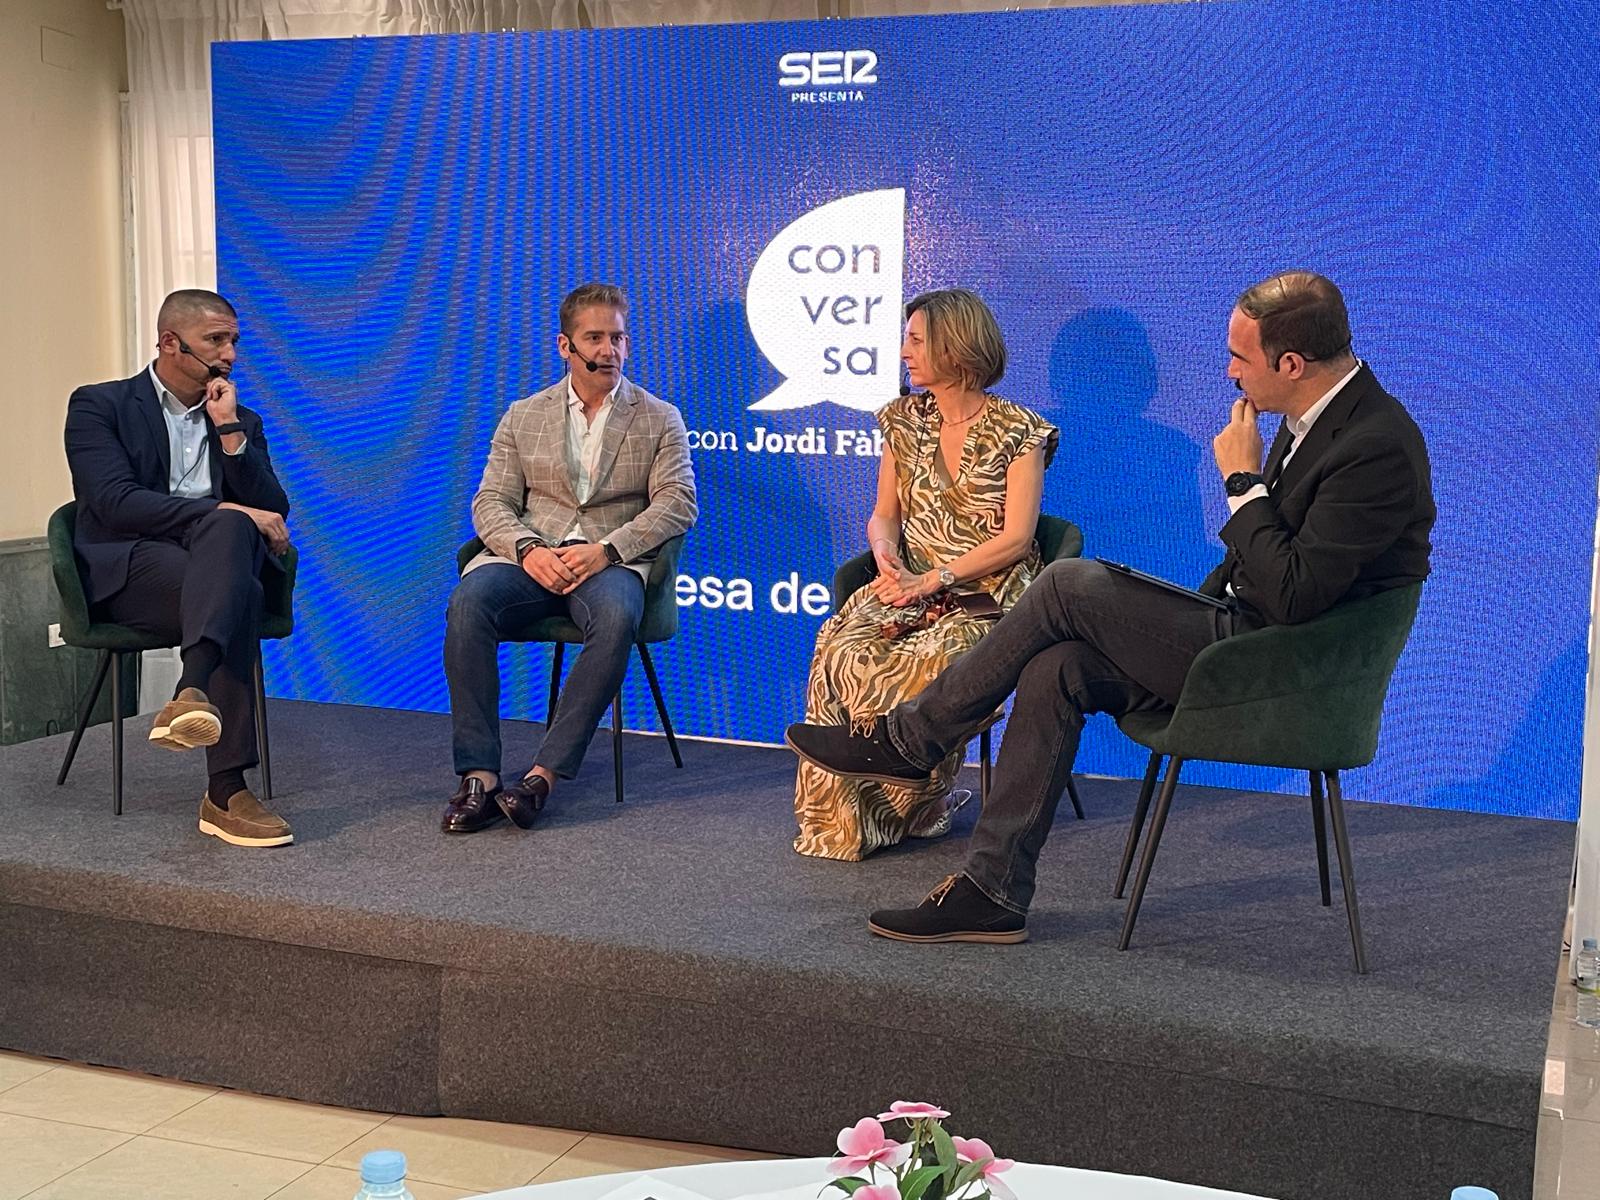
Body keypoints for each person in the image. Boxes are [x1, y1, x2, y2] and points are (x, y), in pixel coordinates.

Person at [787, 270, 1434, 941]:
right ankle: (992, 890)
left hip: (1283, 669)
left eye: (1241, 358)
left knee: (1067, 582)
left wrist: (1241, 481)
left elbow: (1296, 595)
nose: (1229, 371)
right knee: (1058, 665)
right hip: (1242, 632)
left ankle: (908, 740)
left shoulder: (1375, 445)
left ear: (1291, 363)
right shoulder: (1311, 418)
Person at [793, 289, 1056, 861]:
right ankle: (845, 822)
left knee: (928, 659)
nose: (904, 351)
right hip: (908, 582)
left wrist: (936, 578)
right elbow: (885, 513)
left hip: (987, 593)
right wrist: (884, 551)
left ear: (956, 346)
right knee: (842, 646)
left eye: (916, 340)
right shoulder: (902, 421)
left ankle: (916, 805)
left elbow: (1017, 539)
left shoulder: (1021, 432)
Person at [442, 283, 697, 834]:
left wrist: (608, 551)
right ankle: (480, 776)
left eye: (619, 337)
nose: (610, 350)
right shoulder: (523, 415)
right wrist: (527, 550)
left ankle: (542, 777)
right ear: (566, 345)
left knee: (615, 615)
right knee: (468, 603)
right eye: (596, 338)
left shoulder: (659, 417)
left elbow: (678, 505)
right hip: (530, 558)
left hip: (610, 562)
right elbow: (491, 502)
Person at [64, 288, 294, 847]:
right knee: (231, 558)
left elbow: (275, 509)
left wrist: (230, 430)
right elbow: (115, 502)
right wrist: (226, 508)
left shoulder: (240, 420)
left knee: (230, 551)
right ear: (171, 343)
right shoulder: (101, 405)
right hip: (133, 566)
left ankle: (191, 691)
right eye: (216, 340)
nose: (230, 354)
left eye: (235, 340)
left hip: (211, 568)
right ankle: (226, 791)